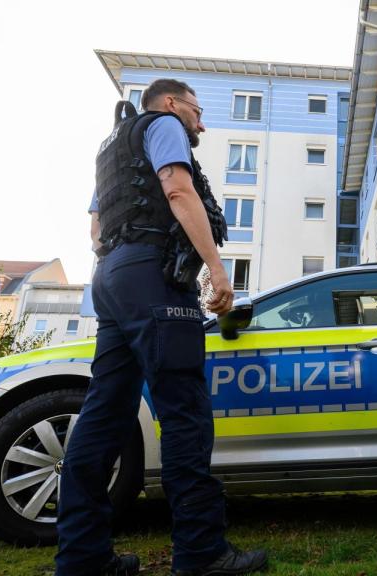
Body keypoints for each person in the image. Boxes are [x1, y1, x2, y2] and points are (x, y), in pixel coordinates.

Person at [57, 78, 267, 576]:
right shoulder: (164, 125)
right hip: (152, 275)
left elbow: (94, 231)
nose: (201, 121)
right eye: (197, 109)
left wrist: (124, 265)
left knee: (104, 414)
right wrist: (218, 269)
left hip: (111, 275)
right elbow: (177, 186)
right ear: (172, 102)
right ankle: (201, 554)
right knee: (184, 410)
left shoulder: (113, 149)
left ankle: (82, 558)